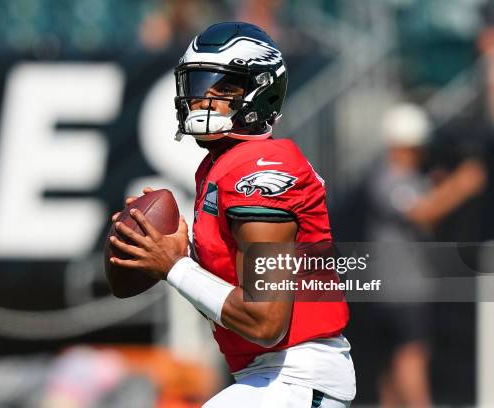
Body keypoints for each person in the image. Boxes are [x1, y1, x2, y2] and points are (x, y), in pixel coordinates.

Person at [107, 22, 355, 407]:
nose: (205, 98)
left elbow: (265, 319)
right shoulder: (219, 168)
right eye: (199, 84)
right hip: (271, 377)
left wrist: (176, 266)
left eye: (223, 88)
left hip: (295, 377)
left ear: (262, 93)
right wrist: (164, 252)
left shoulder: (261, 168)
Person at [361, 103, 486, 408]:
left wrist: (442, 186)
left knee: (395, 360)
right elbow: (422, 212)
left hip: (397, 286)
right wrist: (461, 186)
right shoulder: (389, 177)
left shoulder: (407, 177)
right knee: (412, 352)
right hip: (400, 288)